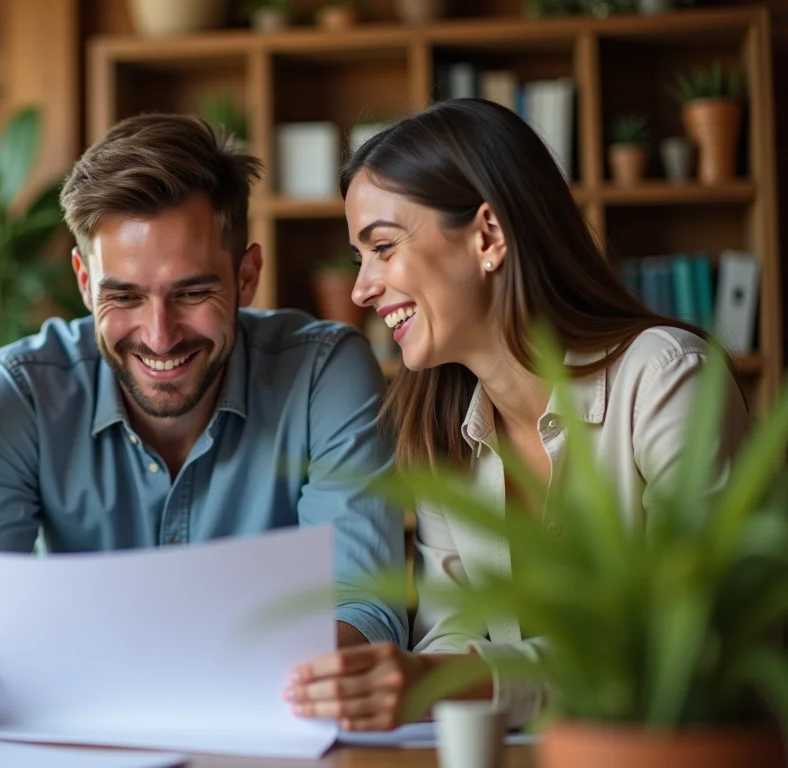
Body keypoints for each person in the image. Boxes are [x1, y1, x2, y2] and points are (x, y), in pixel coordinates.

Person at [282, 98, 750, 729]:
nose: (362, 288)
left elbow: (686, 645)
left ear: (487, 236)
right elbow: (452, 633)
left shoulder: (667, 380)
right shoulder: (443, 431)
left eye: (383, 247)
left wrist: (448, 679)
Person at [0, 114, 408, 653]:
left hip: (268, 726)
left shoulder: (324, 374)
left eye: (191, 294)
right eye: (125, 297)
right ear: (85, 284)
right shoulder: (23, 391)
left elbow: (364, 612)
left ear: (246, 277)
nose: (160, 337)